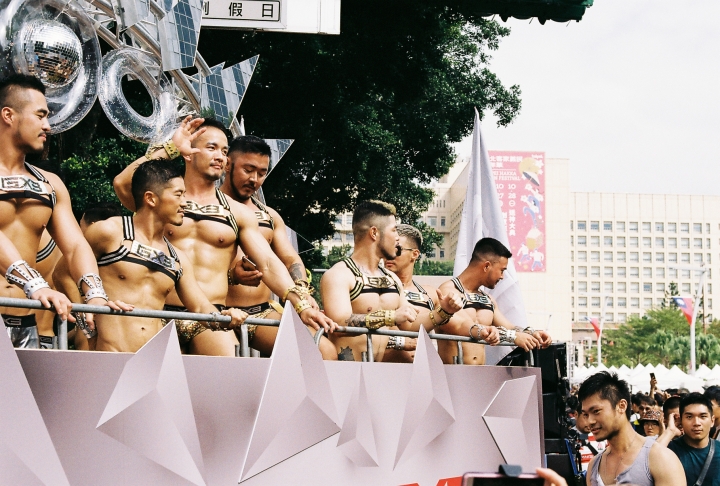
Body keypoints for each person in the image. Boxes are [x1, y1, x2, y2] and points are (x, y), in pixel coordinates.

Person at [113, 117, 335, 356]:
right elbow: (123, 183)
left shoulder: (237, 212)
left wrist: (300, 302)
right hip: (158, 311)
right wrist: (170, 149)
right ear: (189, 152)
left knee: (224, 378)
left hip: (210, 317)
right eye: (211, 148)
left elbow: (268, 263)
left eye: (224, 151)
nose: (220, 156)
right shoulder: (162, 201)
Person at [0, 74, 127, 348]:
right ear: (9, 115)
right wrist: (35, 284)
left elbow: (75, 247)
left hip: (25, 324)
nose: (47, 126)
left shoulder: (50, 184)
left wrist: (94, 296)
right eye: (40, 115)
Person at [88, 160, 249, 352]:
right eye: (178, 195)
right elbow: (63, 273)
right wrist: (92, 305)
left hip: (152, 361)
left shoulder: (177, 258)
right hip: (107, 358)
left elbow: (200, 307)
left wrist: (226, 318)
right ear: (151, 199)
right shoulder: (110, 231)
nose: (184, 203)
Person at [220, 135, 336, 359]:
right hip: (216, 310)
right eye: (248, 169)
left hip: (261, 313)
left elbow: (291, 260)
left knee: (323, 351)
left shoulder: (269, 216)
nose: (254, 179)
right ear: (227, 164)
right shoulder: (206, 209)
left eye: (261, 173)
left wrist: (302, 294)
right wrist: (230, 276)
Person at [320, 200, 419, 361]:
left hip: (376, 374)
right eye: (394, 230)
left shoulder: (392, 278)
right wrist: (390, 317)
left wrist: (443, 312)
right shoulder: (339, 275)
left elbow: (410, 323)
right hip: (343, 375)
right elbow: (339, 324)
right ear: (374, 233)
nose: (398, 238)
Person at [435, 237, 552, 365]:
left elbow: (510, 327)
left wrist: (532, 333)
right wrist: (512, 337)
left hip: (481, 376)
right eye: (501, 270)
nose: (502, 277)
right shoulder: (448, 291)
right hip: (452, 376)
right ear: (486, 266)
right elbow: (463, 325)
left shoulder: (488, 299)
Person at [578, 371, 686, 486]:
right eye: (585, 414)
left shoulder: (661, 458)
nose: (590, 421)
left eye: (596, 411)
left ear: (621, 406)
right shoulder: (594, 465)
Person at [383, 224, 465, 362]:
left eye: (397, 249)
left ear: (414, 254)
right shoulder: (374, 289)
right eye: (385, 249)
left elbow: (459, 325)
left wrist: (484, 331)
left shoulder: (430, 293)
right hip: (383, 373)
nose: (389, 255)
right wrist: (400, 343)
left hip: (422, 374)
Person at [53, 203, 125, 350]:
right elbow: (60, 274)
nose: (78, 232)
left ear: (93, 226)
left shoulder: (113, 241)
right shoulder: (79, 251)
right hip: (93, 322)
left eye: (80, 225)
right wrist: (82, 312)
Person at [666, 393, 720, 486]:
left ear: (712, 421)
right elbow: (646, 465)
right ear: (680, 420)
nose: (696, 423)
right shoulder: (669, 450)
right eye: (689, 417)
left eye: (703, 416)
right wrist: (670, 431)